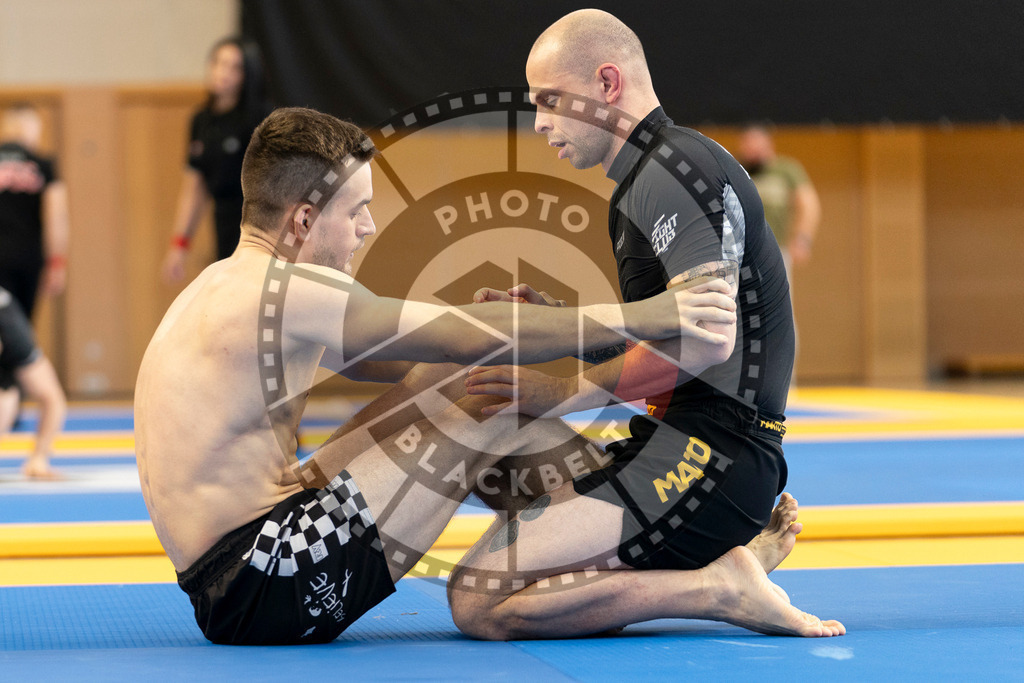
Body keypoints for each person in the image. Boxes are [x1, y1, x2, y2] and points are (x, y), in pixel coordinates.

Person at [134, 106, 733, 645]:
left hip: (241, 573)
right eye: (357, 210)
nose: (368, 227)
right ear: (304, 219)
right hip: (268, 577)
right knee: (490, 405)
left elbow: (417, 358)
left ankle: (599, 533)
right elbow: (463, 337)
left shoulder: (222, 287)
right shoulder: (283, 292)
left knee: (466, 380)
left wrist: (493, 328)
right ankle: (648, 533)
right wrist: (652, 315)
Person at [448, 9, 844, 638]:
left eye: (549, 100)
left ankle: (716, 587)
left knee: (477, 601)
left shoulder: (675, 171)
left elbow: (706, 341)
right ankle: (717, 561)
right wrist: (560, 323)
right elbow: (667, 340)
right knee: (487, 432)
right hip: (677, 445)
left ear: (608, 84)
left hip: (711, 463)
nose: (540, 122)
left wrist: (561, 390)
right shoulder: (642, 181)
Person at [162, 37, 272, 282]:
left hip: (257, 228)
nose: (223, 73)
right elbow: (194, 187)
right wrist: (179, 245)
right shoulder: (201, 120)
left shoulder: (262, 119)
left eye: (235, 67)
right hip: (222, 222)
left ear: (248, 75)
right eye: (219, 63)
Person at [0, 102, 69, 319]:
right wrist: (56, 263)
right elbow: (56, 216)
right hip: (26, 258)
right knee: (18, 325)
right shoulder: (43, 165)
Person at [0, 287, 67, 480]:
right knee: (7, 401)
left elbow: (52, 399)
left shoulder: (14, 334)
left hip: (8, 325)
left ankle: (38, 460)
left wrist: (39, 458)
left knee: (9, 402)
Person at [737, 124, 821, 272]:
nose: (751, 149)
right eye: (747, 144)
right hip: (741, 251)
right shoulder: (738, 170)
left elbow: (809, 205)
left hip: (776, 250)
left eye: (756, 143)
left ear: (768, 144)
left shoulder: (786, 170)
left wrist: (802, 239)